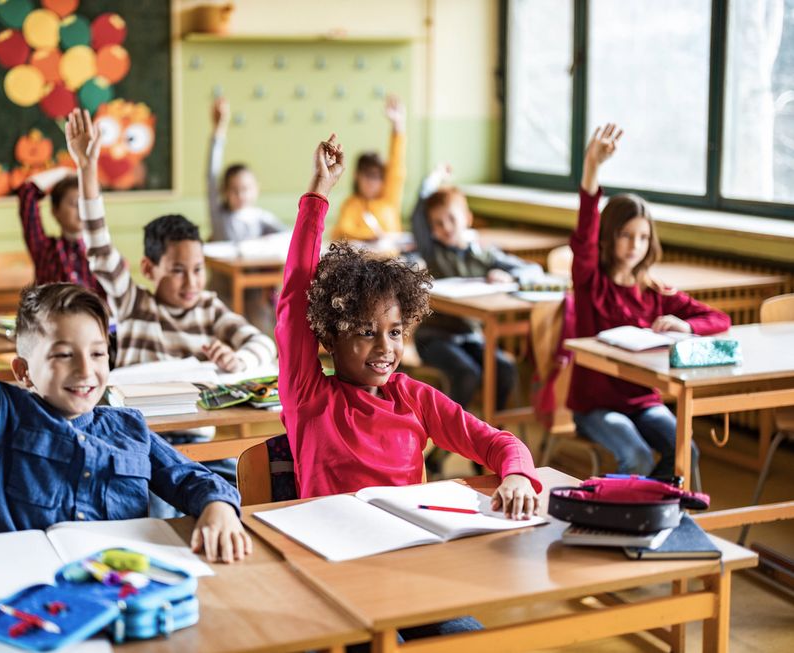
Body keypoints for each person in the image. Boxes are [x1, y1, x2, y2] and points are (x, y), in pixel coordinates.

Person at [0, 162, 251, 563]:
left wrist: (218, 506)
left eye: (97, 353)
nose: (85, 370)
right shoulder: (1, 417)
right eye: (63, 355)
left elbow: (191, 477)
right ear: (23, 372)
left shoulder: (129, 429)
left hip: (119, 586)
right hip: (24, 586)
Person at [281, 132, 542, 649]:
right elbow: (293, 298)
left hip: (412, 566)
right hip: (335, 575)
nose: (385, 348)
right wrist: (317, 195)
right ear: (328, 338)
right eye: (365, 332)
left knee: (470, 643)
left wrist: (516, 474)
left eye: (395, 332)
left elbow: (499, 442)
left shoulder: (413, 397)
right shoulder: (310, 396)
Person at [68, 108, 276, 516]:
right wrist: (87, 170)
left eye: (198, 269)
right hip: (141, 444)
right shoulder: (133, 302)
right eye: (177, 270)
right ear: (149, 269)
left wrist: (237, 361)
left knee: (235, 499)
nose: (191, 281)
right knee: (156, 515)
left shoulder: (208, 308)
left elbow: (262, 344)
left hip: (198, 444)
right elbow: (98, 247)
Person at [569, 124, 730, 481]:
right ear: (607, 237)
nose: (634, 245)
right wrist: (592, 167)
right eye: (625, 235)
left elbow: (719, 318)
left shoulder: (656, 292)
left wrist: (686, 325)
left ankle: (653, 506)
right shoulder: (591, 283)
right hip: (596, 407)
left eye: (642, 237)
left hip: (644, 403)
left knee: (686, 450)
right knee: (638, 457)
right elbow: (584, 233)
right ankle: (634, 506)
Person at [410, 164, 541, 474]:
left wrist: (508, 277)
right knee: (468, 374)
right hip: (435, 338)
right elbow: (417, 217)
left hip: (470, 336)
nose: (445, 228)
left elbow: (531, 270)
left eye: (451, 219)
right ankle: (444, 450)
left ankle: (487, 445)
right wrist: (431, 181)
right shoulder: (433, 251)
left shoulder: (483, 253)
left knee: (505, 369)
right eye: (437, 223)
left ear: (467, 218)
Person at [207, 96, 285, 242]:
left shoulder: (261, 217)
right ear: (224, 191)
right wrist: (219, 128)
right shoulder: (219, 215)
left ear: (257, 189)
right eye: (234, 190)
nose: (241, 195)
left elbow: (288, 236)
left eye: (246, 189)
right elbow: (212, 176)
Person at [17, 167, 104, 298]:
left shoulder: (101, 253)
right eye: (74, 203)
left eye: (86, 203)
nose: (82, 209)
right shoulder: (44, 249)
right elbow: (27, 192)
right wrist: (63, 171)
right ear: (55, 211)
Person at [330, 96, 406, 241]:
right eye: (367, 175)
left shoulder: (389, 200)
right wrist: (370, 236)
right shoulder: (350, 205)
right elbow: (341, 231)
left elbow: (397, 164)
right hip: (360, 255)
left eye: (377, 177)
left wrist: (398, 125)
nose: (372, 182)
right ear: (356, 175)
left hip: (390, 254)